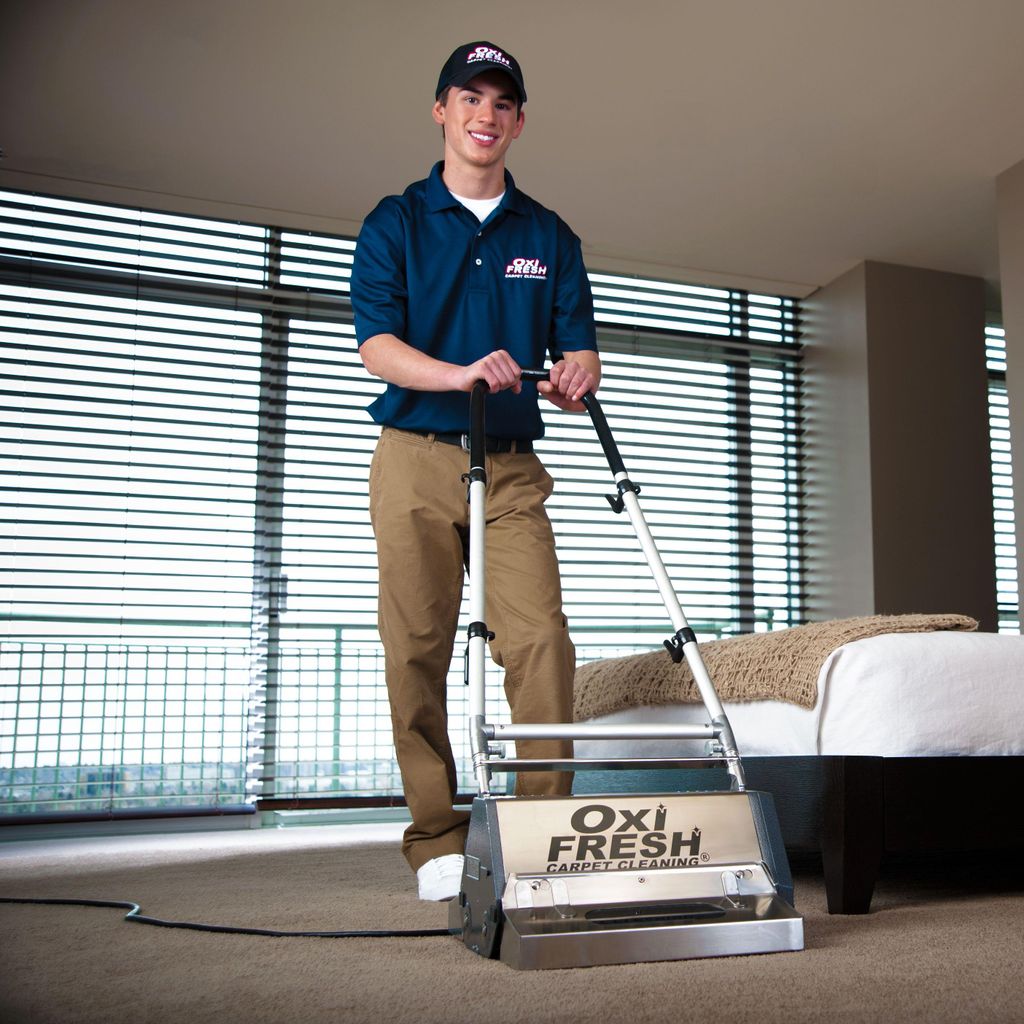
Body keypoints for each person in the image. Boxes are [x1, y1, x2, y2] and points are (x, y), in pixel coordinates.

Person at [350, 40, 601, 901]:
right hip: (415, 459)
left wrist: (575, 375)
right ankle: (435, 837)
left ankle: (542, 832)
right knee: (415, 649)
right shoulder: (397, 221)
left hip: (513, 468)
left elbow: (579, 351)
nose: (485, 115)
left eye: (502, 103)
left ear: (519, 122)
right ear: (441, 110)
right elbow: (377, 347)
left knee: (541, 641)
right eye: (470, 98)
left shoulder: (549, 235)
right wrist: (459, 375)